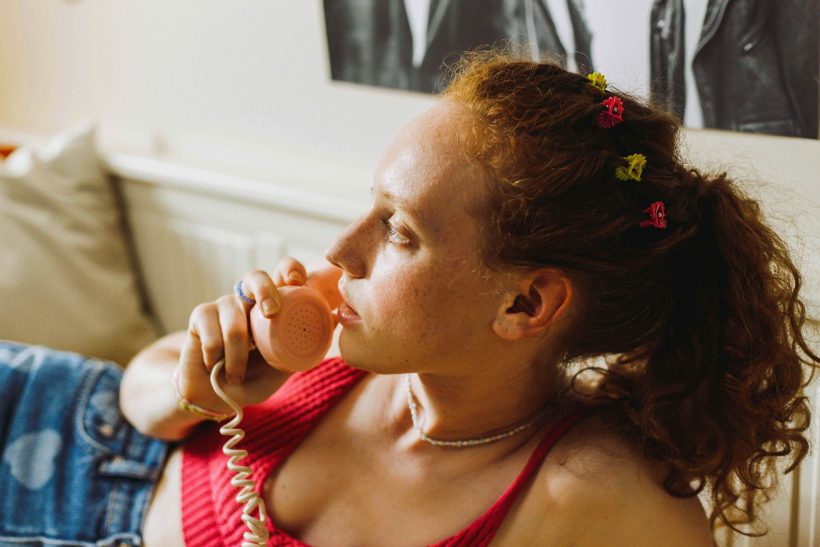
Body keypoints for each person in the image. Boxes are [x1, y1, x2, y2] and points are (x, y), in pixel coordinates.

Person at [1, 52, 817, 546]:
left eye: (397, 230)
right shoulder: (339, 331)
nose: (339, 250)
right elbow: (132, 398)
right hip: (54, 431)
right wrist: (202, 384)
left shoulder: (592, 496)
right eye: (371, 206)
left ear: (526, 306)